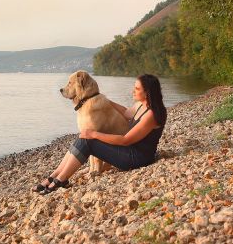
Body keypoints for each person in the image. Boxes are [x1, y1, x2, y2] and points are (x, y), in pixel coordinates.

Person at [32, 74, 167, 194]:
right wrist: (101, 99)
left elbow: (125, 140)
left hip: (136, 158)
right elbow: (126, 113)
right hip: (130, 152)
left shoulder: (152, 114)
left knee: (88, 140)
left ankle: (61, 179)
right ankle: (54, 175)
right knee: (83, 137)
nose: (133, 90)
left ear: (147, 92)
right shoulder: (141, 105)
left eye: (137, 89)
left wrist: (94, 134)